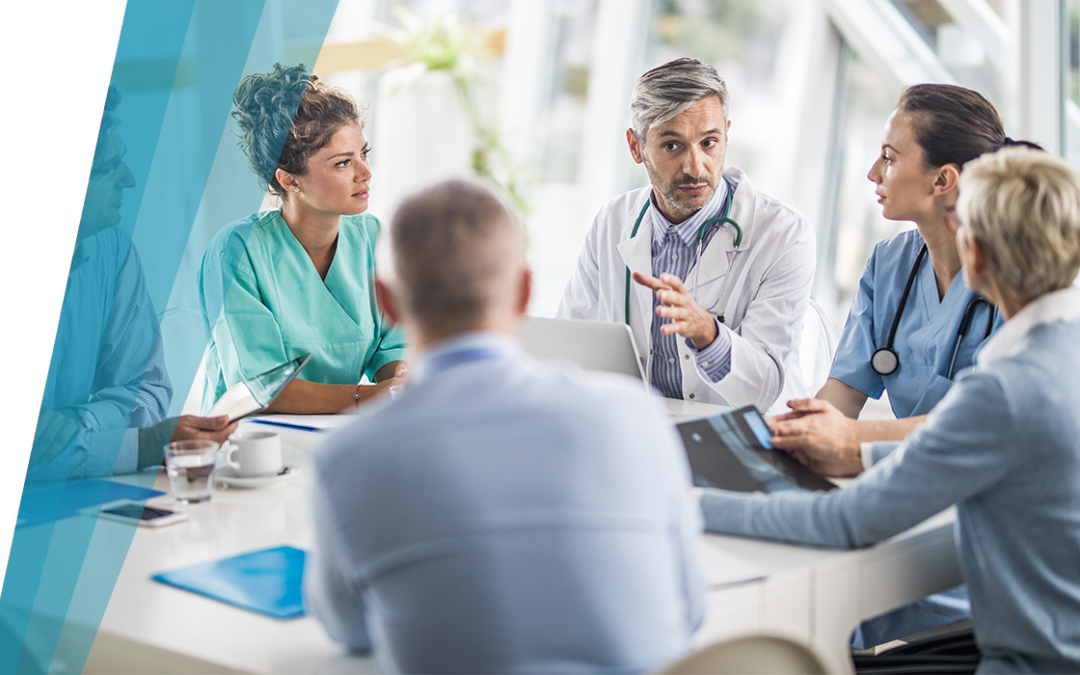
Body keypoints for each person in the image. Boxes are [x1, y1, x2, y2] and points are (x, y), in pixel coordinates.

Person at [701, 147, 1080, 675]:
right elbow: (998, 456)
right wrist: (868, 457)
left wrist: (688, 503)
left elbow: (846, 522)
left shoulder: (1002, 389)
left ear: (976, 254)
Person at [304, 179, 705, 675]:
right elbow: (690, 611)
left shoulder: (346, 459)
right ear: (524, 292)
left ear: (387, 302)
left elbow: (348, 629)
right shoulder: (638, 417)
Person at [767, 86, 1032, 648]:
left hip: (973, 528)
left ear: (944, 180)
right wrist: (792, 433)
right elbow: (840, 396)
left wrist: (851, 441)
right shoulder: (890, 263)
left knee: (826, 611)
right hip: (902, 492)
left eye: (889, 156)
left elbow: (979, 426)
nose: (872, 172)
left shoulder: (1016, 281)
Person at [557, 57, 815, 414]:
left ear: (727, 135)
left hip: (747, 440)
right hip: (643, 432)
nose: (695, 167)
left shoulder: (785, 235)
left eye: (709, 143)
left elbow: (767, 387)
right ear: (636, 147)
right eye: (672, 146)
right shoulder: (611, 222)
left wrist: (707, 334)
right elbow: (570, 345)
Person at [29, 84, 236, 482]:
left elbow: (148, 389)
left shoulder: (113, 250)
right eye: (109, 167)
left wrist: (82, 420)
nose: (129, 179)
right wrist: (143, 445)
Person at [200, 64, 406, 415]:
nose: (365, 173)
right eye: (343, 163)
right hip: (250, 440)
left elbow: (394, 347)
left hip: (340, 431)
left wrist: (401, 384)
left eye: (363, 154)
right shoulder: (237, 251)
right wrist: (369, 398)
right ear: (289, 180)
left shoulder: (372, 236)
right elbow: (262, 388)